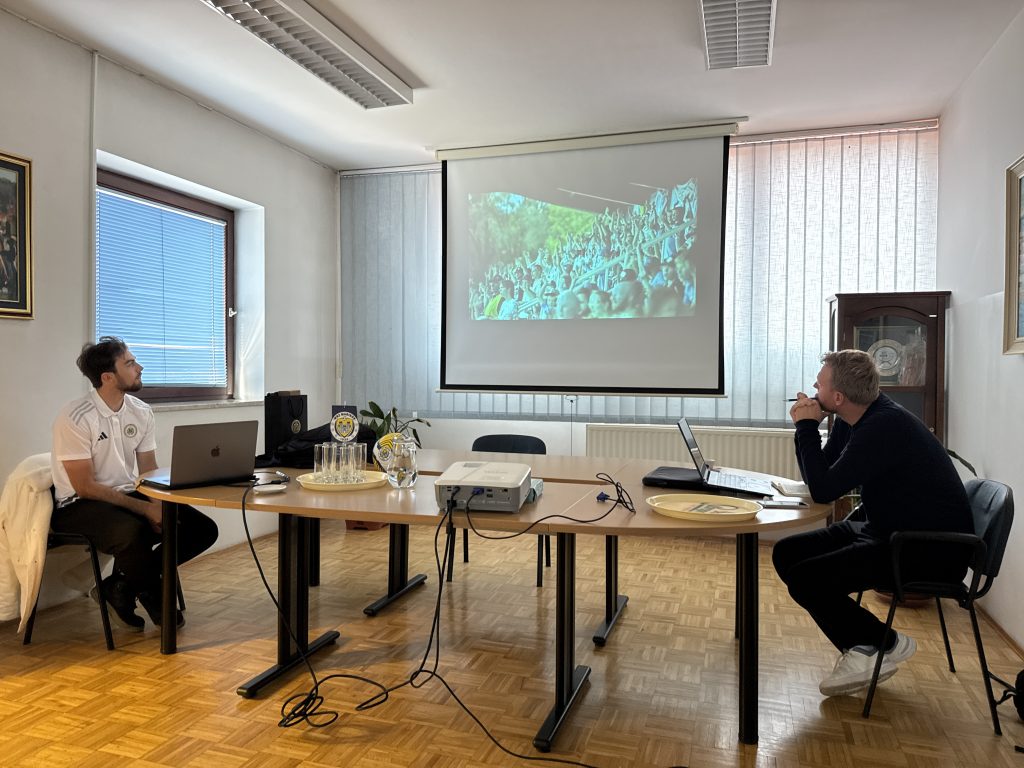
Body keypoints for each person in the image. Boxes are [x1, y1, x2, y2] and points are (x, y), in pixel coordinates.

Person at [772, 349, 972, 697]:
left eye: (819, 384)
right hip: (887, 530)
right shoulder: (857, 418)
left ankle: (884, 642)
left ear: (838, 397)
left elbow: (823, 491)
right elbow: (820, 475)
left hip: (926, 549)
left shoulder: (883, 427)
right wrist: (808, 428)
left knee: (806, 578)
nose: (813, 388)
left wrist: (805, 426)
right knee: (786, 553)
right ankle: (864, 649)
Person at [50, 337, 219, 629]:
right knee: (132, 531)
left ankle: (121, 586)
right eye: (129, 363)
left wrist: (158, 505)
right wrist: (145, 510)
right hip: (77, 505)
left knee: (201, 529)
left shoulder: (140, 411)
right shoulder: (75, 416)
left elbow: (148, 469)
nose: (139, 367)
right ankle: (151, 595)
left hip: (125, 495)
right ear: (107, 377)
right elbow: (84, 486)